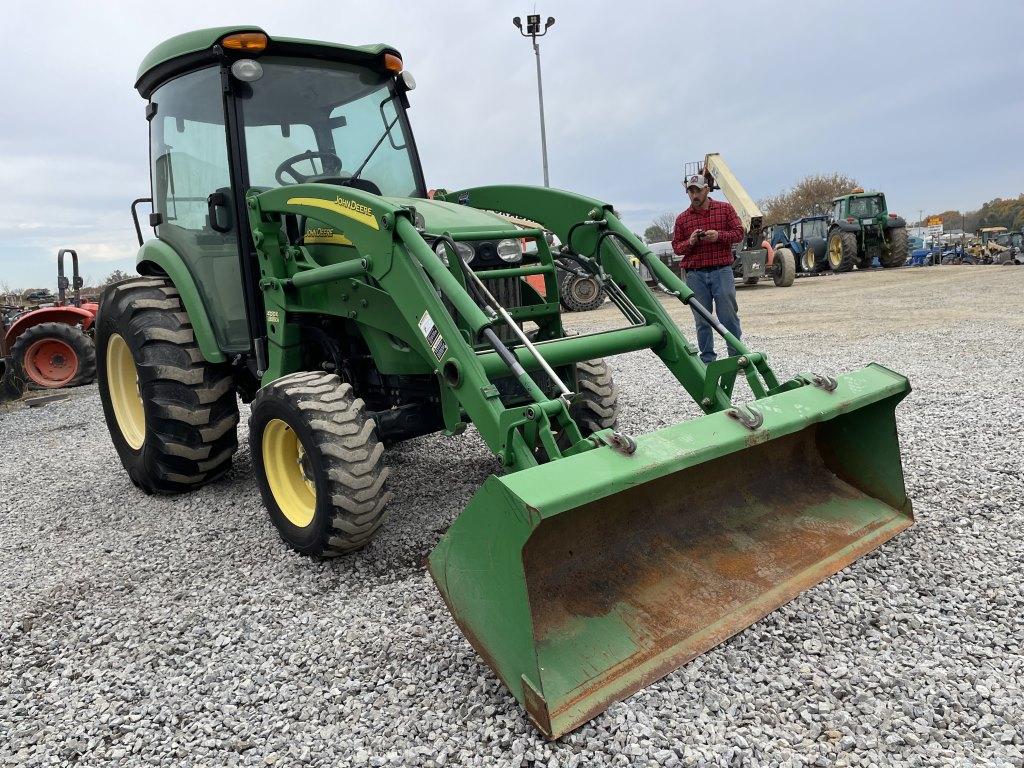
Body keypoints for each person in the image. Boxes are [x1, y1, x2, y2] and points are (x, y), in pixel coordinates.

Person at [671, 172, 745, 364]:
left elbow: (738, 233)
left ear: (706, 189)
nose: (694, 195)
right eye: (690, 191)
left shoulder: (725, 209)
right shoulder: (682, 219)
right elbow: (677, 247)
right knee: (702, 320)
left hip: (721, 271)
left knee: (728, 316)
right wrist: (691, 241)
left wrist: (718, 236)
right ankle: (707, 361)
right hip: (696, 275)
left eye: (697, 191)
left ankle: (737, 358)